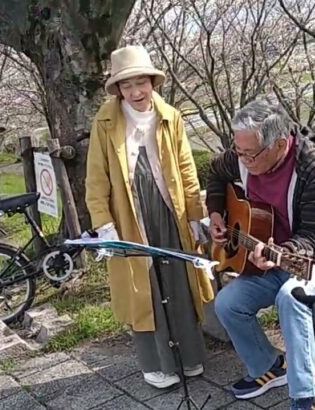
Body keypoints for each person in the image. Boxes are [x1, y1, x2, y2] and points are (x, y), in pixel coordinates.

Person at [205, 98, 315, 410]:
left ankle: (304, 396)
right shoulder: (242, 156)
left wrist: (279, 253)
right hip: (270, 258)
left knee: (292, 296)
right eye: (239, 151)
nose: (242, 159)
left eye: (251, 154)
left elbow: (314, 236)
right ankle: (269, 366)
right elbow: (216, 174)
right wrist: (217, 213)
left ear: (281, 143)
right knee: (228, 304)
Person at [85, 45, 215, 389]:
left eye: (142, 82)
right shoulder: (105, 120)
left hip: (169, 207)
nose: (136, 92)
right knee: (144, 287)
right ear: (118, 89)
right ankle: (157, 365)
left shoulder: (170, 115)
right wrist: (104, 224)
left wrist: (194, 214)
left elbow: (186, 169)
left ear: (152, 82)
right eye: (128, 86)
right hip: (129, 213)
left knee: (178, 280)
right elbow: (96, 175)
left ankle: (189, 357)